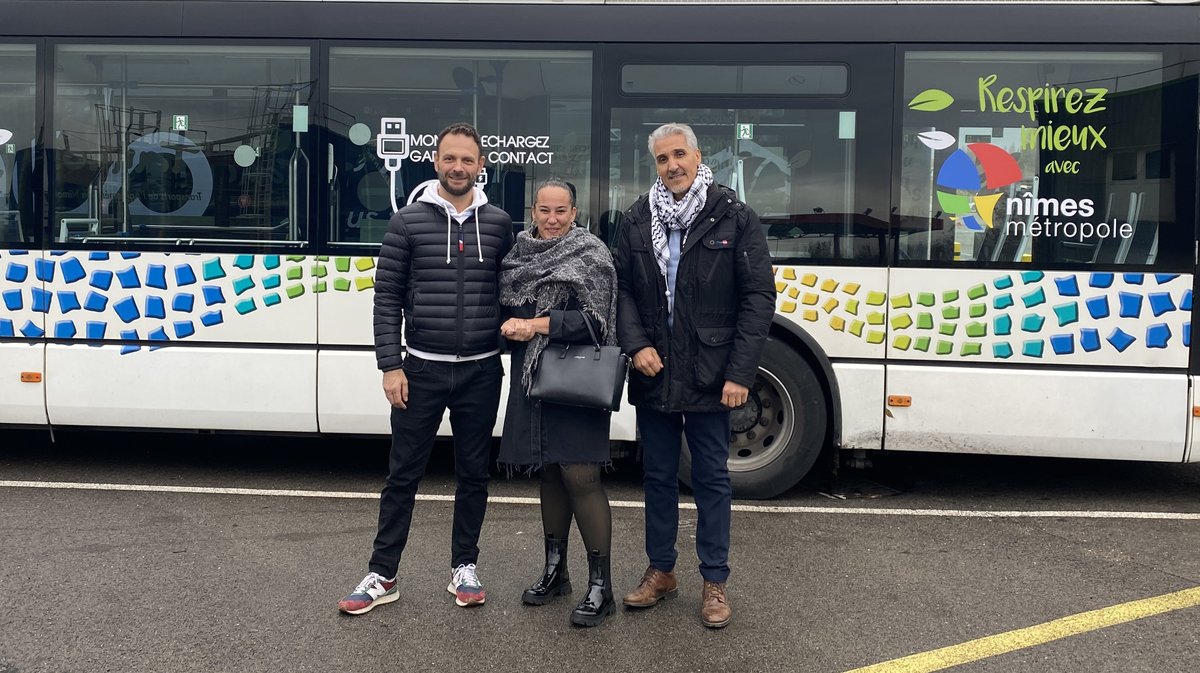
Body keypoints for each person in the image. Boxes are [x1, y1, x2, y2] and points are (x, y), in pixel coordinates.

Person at [338, 122, 514, 615]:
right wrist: (391, 366)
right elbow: (387, 298)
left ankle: (464, 567)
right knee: (403, 475)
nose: (459, 167)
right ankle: (382, 573)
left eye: (468, 160)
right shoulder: (408, 222)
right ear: (436, 162)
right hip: (421, 372)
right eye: (450, 158)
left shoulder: (499, 224)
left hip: (481, 371)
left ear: (481, 166)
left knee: (474, 474)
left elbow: (516, 290)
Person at [614, 123, 775, 628]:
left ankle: (715, 580)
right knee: (658, 477)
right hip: (654, 371)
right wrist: (635, 344)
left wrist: (740, 373)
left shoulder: (734, 214)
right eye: (662, 159)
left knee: (710, 479)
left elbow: (758, 298)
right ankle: (661, 571)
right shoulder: (638, 218)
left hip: (711, 375)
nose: (672, 166)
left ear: (699, 156)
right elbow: (619, 290)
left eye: (679, 154)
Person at [497, 178, 619, 627]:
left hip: (575, 383)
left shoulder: (591, 254)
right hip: (533, 381)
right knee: (548, 471)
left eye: (561, 211)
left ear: (574, 212)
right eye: (544, 211)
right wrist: (510, 326)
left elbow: (596, 321)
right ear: (533, 211)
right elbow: (507, 307)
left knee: (581, 476)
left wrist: (537, 326)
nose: (551, 220)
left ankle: (601, 587)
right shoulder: (517, 256)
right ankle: (556, 572)